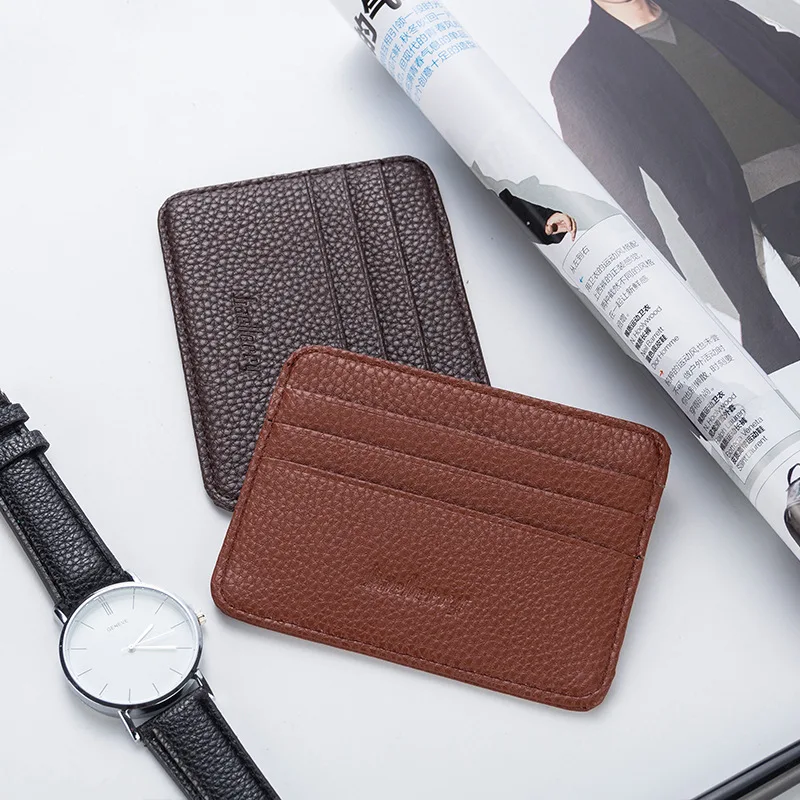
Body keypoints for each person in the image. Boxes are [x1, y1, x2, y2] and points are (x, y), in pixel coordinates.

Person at [551, 0, 800, 374]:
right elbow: (620, 199)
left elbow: (783, 53)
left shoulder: (706, 7)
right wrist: (670, 299)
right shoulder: (581, 72)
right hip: (763, 222)